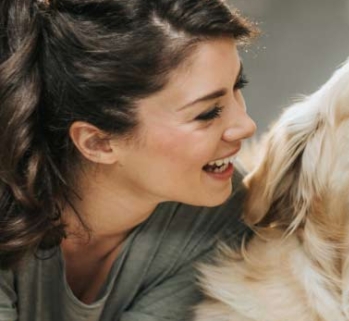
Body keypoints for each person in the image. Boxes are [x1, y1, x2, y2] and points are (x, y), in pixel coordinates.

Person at [0, 0, 258, 320]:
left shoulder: (221, 217)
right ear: (98, 142)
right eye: (207, 113)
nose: (246, 125)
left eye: (237, 87)